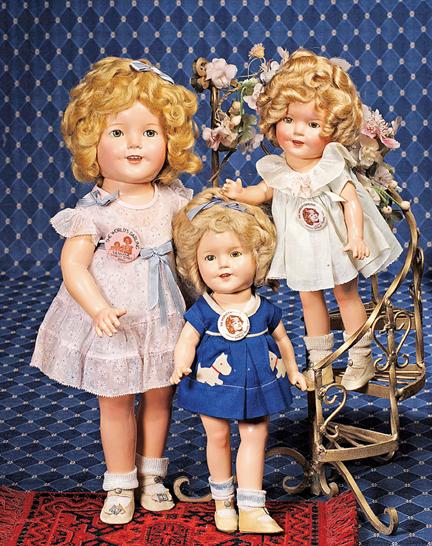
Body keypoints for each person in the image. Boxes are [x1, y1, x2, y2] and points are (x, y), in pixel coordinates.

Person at [31, 57, 201, 524]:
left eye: (150, 132)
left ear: (170, 140)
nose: (134, 144)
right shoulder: (94, 211)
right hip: (117, 321)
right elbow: (73, 265)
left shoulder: (174, 200)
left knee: (160, 396)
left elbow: (195, 249)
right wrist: (98, 308)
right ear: (92, 141)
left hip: (165, 317)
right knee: (117, 400)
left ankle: (152, 473)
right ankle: (121, 480)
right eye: (119, 132)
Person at [223, 49, 402, 391]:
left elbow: (351, 200)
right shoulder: (280, 167)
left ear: (333, 129)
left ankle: (360, 358)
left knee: (346, 295)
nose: (297, 131)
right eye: (289, 120)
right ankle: (321, 363)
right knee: (309, 299)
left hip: (336, 245)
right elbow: (265, 191)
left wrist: (356, 236)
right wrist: (241, 193)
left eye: (313, 124)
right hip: (302, 248)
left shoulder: (331, 164)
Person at [170, 188, 307, 535]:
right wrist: (180, 364)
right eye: (210, 257)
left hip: (257, 382)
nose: (223, 264)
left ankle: (251, 506)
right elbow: (187, 339)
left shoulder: (264, 309)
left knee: (255, 435)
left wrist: (293, 369)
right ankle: (222, 501)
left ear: (257, 257)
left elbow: (282, 339)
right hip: (213, 384)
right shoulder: (204, 310)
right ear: (195, 264)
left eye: (235, 253)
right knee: (217, 435)